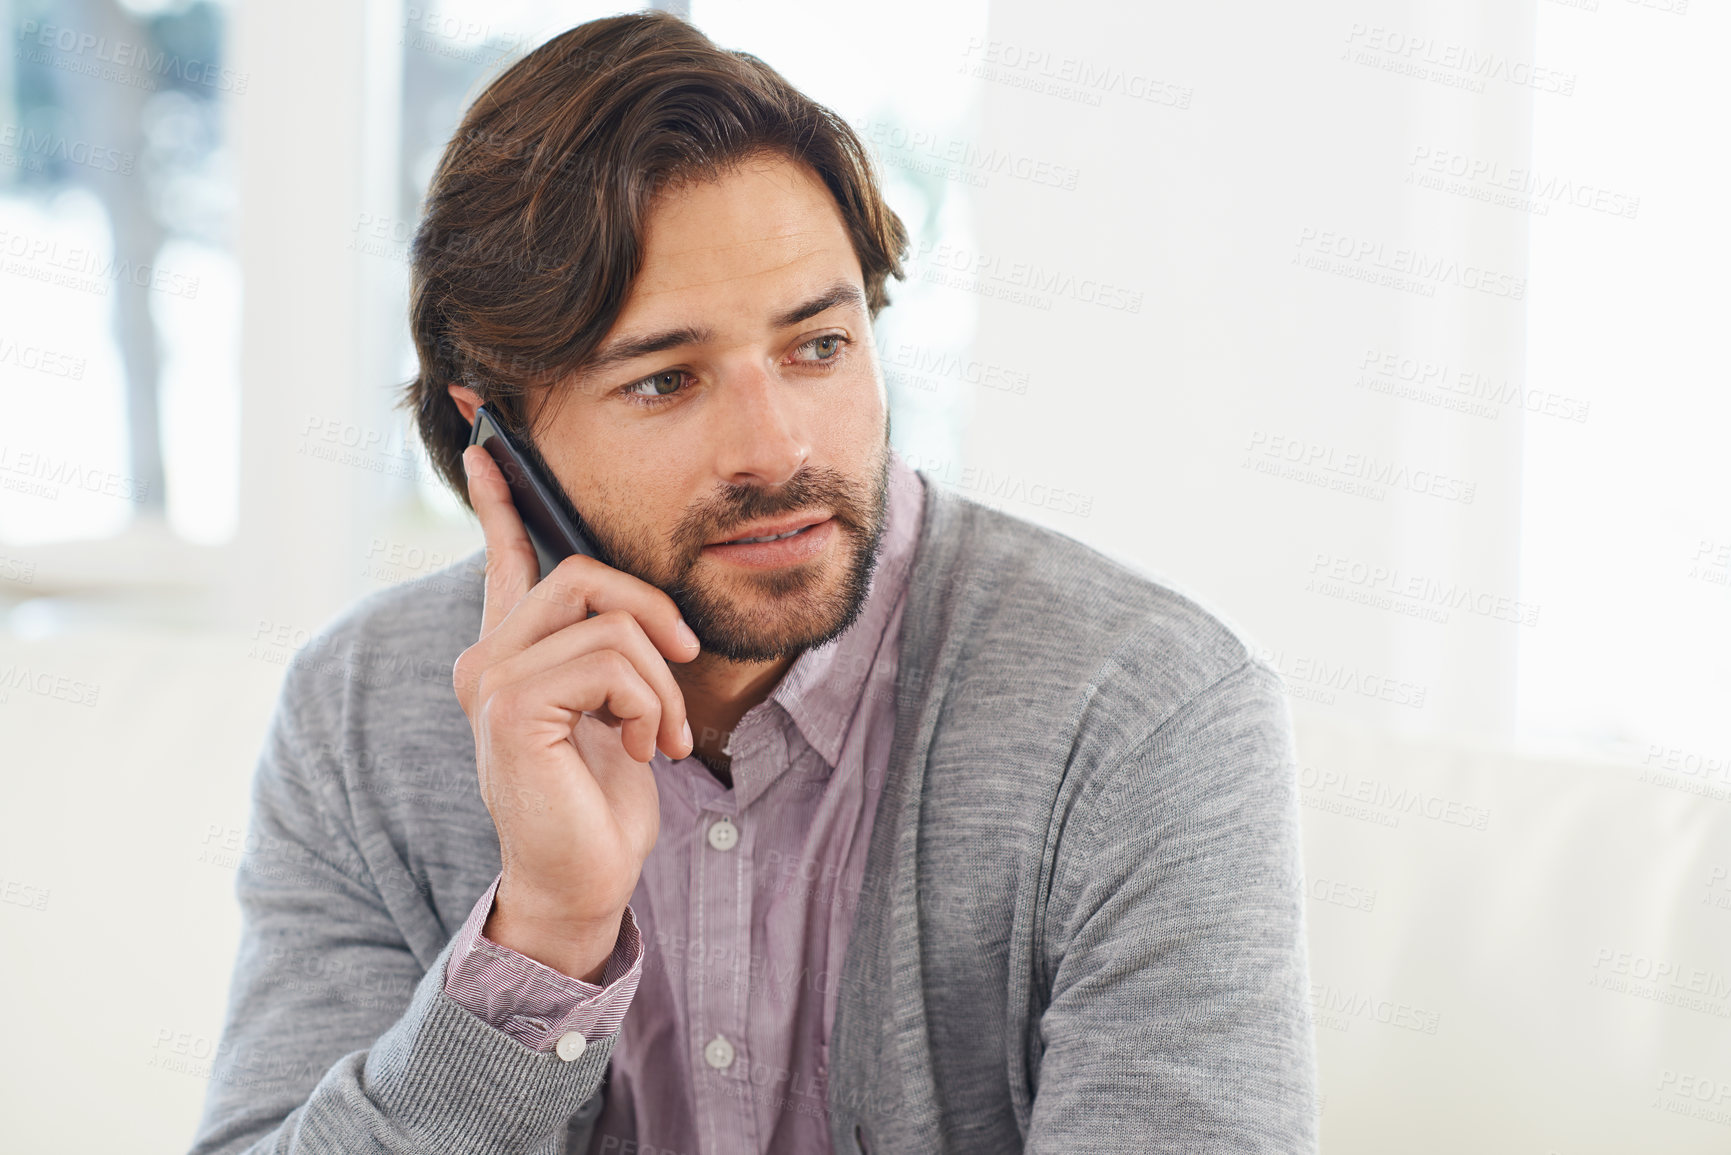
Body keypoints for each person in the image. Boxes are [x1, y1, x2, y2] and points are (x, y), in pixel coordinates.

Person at [189, 11, 1316, 1154]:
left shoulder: (1144, 718)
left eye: (818, 347)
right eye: (667, 380)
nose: (778, 451)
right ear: (499, 433)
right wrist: (539, 943)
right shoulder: (360, 717)